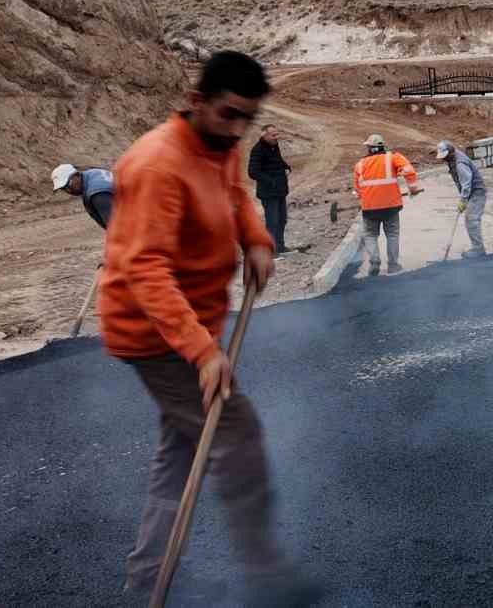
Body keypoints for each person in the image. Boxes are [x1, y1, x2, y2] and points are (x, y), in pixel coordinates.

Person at [97, 51, 316, 604]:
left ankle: (146, 580)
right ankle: (267, 576)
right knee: (236, 432)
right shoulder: (157, 166)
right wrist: (202, 352)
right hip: (153, 334)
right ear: (196, 101)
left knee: (180, 454)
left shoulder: (220, 144)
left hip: (191, 323)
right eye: (229, 114)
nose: (239, 129)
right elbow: (146, 270)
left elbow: (236, 195)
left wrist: (257, 240)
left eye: (249, 118)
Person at [351, 133, 422, 276]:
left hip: (370, 208)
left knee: (370, 235)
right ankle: (393, 266)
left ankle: (374, 260)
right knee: (392, 234)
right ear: (383, 146)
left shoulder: (360, 164)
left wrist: (362, 197)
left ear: (369, 148)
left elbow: (358, 190)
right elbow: (408, 171)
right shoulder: (393, 157)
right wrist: (413, 188)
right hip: (391, 206)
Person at [436, 140, 487, 258]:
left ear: (450, 153)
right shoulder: (453, 157)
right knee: (470, 219)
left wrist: (463, 200)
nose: (443, 159)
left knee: (472, 219)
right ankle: (478, 248)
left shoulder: (460, 164)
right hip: (471, 193)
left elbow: (466, 184)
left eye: (445, 157)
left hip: (476, 193)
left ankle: (479, 250)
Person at [247, 124, 292, 255]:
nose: (276, 137)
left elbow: (278, 161)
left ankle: (280, 247)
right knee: (272, 222)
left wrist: (286, 167)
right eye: (273, 135)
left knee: (282, 220)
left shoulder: (274, 146)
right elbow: (252, 172)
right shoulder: (258, 150)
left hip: (280, 191)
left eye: (277, 134)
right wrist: (271, 181)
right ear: (264, 135)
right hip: (268, 193)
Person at [53, 163, 116, 229]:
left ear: (76, 175)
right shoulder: (92, 174)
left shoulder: (97, 193)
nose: (68, 190)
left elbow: (115, 226)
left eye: (68, 184)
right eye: (63, 188)